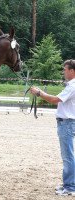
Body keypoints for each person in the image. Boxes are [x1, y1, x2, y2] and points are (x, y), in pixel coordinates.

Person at [30, 59, 75, 196]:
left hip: (67, 123)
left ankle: (70, 187)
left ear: (72, 71)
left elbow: (55, 100)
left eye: (65, 69)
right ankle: (68, 184)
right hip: (66, 123)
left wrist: (39, 93)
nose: (63, 72)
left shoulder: (72, 86)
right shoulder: (70, 85)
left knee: (68, 156)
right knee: (68, 155)